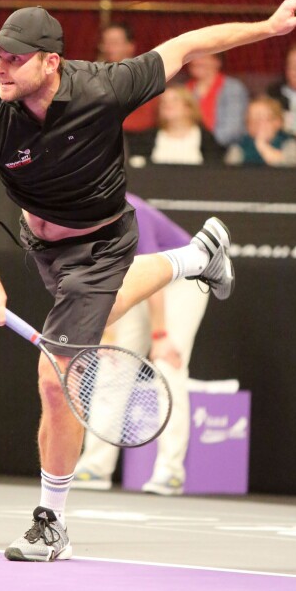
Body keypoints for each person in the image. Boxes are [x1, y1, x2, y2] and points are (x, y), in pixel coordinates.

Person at [0, 0, 296, 562]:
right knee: (84, 327)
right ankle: (194, 260)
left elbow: (190, 45)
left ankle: (52, 523)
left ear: (52, 62)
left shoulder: (107, 86)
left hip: (100, 245)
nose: (0, 66)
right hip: (42, 248)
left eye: (14, 58)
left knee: (55, 376)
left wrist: (268, 28)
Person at [74, 192, 209, 495]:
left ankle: (170, 471)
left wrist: (160, 336)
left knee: (167, 365)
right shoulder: (79, 219)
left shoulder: (127, 212)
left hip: (181, 278)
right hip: (138, 282)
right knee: (113, 363)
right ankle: (95, 467)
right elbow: (100, 281)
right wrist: (107, 337)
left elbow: (155, 273)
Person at [128, 84, 223, 164]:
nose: (167, 104)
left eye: (174, 100)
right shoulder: (146, 139)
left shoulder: (206, 139)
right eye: (163, 102)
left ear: (188, 108)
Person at [98, 22, 157, 135]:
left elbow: (147, 119)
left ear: (130, 46)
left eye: (115, 43)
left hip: (138, 139)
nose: (109, 48)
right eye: (105, 43)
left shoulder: (144, 77)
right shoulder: (95, 76)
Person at [185, 53, 249, 147]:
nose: (196, 62)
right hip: (189, 147)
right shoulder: (184, 90)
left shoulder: (232, 88)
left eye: (203, 57)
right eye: (192, 58)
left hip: (223, 149)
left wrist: (205, 145)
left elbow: (233, 129)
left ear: (217, 62)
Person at [224, 95, 296, 167]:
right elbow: (229, 175)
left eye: (261, 118)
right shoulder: (239, 146)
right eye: (251, 119)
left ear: (277, 122)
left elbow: (291, 171)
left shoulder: (290, 143)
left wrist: (262, 145)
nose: (256, 123)